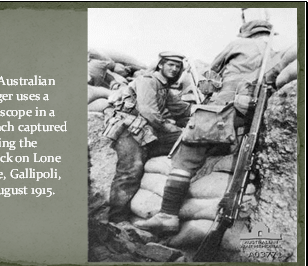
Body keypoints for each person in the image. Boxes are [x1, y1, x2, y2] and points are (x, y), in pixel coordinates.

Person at [134, 20, 282, 233]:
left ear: (246, 33)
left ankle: (167, 216)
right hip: (253, 115)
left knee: (186, 156)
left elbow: (212, 75)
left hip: (222, 109)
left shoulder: (238, 44)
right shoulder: (277, 51)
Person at [104, 52, 192, 223]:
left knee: (185, 139)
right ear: (161, 65)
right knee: (130, 171)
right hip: (128, 130)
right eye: (170, 65)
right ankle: (116, 220)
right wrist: (170, 127)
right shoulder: (148, 80)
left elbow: (181, 109)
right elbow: (148, 111)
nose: (174, 69)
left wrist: (204, 111)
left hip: (147, 132)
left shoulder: (164, 87)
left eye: (177, 66)